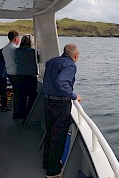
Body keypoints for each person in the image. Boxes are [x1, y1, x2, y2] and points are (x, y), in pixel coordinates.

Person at [43, 44, 82, 177]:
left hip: (47, 101)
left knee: (49, 133)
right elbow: (61, 82)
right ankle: (53, 171)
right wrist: (74, 96)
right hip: (60, 105)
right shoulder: (70, 65)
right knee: (58, 137)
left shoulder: (51, 61)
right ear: (75, 55)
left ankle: (46, 162)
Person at [15, 34, 38, 123]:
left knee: (22, 96)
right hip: (30, 76)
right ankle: (28, 115)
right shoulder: (33, 52)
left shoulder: (17, 51)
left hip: (19, 76)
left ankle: (21, 114)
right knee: (32, 96)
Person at [2, 30, 21, 118]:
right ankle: (17, 112)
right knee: (18, 93)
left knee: (16, 92)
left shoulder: (5, 48)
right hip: (16, 73)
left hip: (9, 72)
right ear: (15, 38)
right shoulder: (15, 49)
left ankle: (16, 111)